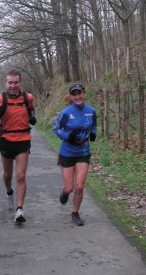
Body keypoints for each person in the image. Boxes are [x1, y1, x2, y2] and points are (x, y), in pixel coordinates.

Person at [0, 69, 36, 223]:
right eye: (10, 82)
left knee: (21, 176)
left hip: (23, 138)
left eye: (16, 82)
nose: (13, 85)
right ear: (6, 83)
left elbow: (32, 111)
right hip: (6, 139)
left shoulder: (28, 97)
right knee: (7, 175)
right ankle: (9, 192)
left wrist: (32, 116)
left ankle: (19, 210)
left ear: (20, 82)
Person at [53, 82, 97, 226]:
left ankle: (75, 213)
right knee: (69, 187)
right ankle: (65, 192)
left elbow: (94, 125)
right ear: (71, 97)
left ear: (84, 93)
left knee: (79, 186)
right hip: (67, 152)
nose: (77, 96)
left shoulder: (91, 110)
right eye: (74, 94)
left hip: (83, 152)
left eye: (79, 93)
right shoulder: (66, 112)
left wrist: (93, 134)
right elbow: (56, 128)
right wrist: (67, 136)